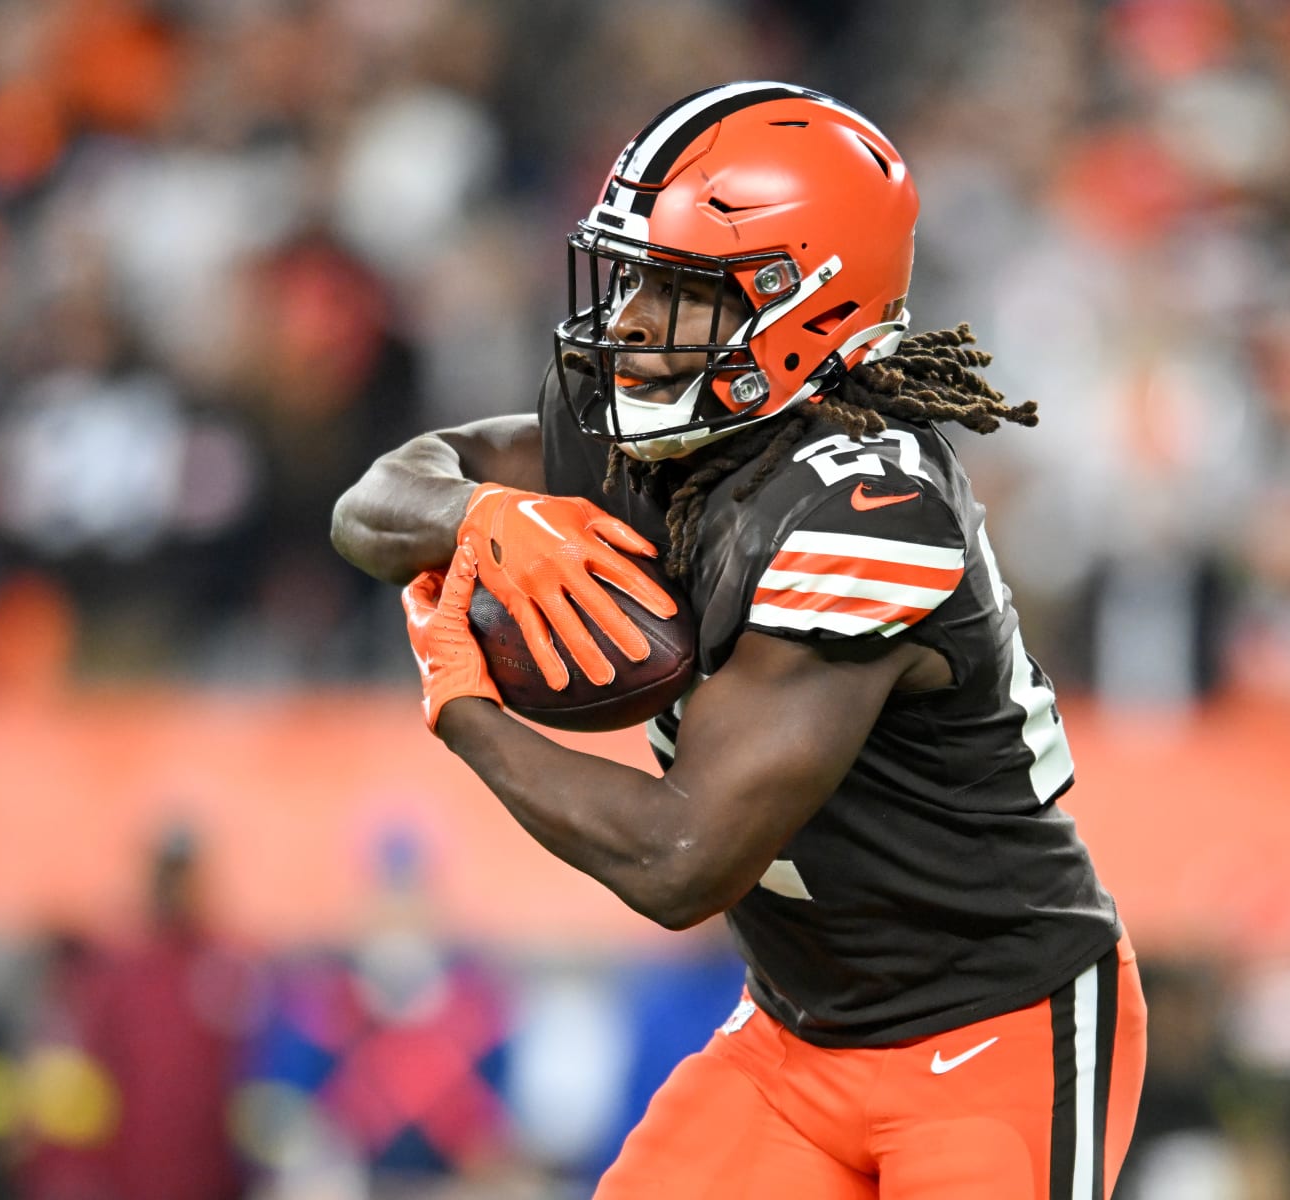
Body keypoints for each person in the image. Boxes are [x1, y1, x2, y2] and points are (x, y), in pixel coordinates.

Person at [333, 80, 1147, 1198]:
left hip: (993, 1027)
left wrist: (464, 707)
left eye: (677, 291)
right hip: (797, 1033)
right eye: (633, 278)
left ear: (797, 306)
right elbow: (377, 499)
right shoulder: (641, 426)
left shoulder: (867, 512)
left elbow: (681, 861)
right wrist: (479, 518)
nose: (627, 324)